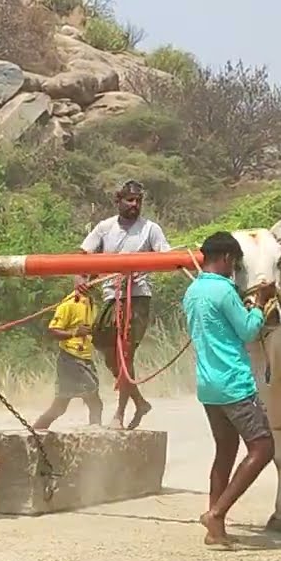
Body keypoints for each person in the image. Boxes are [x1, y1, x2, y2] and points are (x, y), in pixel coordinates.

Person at [182, 231, 277, 547]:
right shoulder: (223, 291)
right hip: (234, 384)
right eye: (234, 264)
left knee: (225, 451)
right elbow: (250, 331)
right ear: (225, 259)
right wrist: (260, 303)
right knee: (263, 448)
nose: (234, 270)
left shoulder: (193, 291)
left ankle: (215, 530)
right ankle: (217, 513)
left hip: (208, 385)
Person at [76, 179, 172, 430]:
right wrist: (81, 279)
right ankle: (139, 402)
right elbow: (82, 257)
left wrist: (142, 265)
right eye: (129, 200)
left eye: (138, 201)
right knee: (106, 349)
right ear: (118, 200)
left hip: (137, 296)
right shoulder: (104, 228)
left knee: (125, 351)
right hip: (111, 295)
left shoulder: (151, 229)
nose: (134, 205)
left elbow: (167, 258)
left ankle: (119, 413)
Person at [31, 282, 103, 430]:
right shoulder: (68, 304)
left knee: (60, 407)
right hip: (71, 358)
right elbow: (53, 331)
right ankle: (96, 437)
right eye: (84, 275)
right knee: (94, 401)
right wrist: (74, 333)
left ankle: (36, 431)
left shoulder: (92, 303)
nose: (91, 280)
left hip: (84, 358)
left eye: (94, 276)